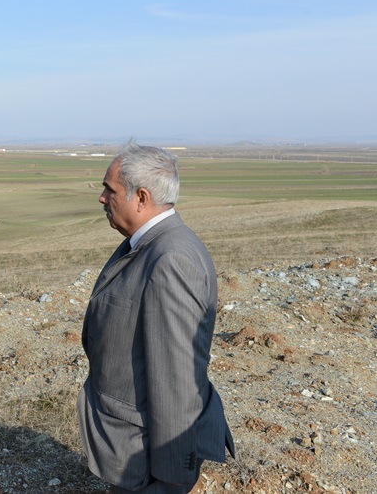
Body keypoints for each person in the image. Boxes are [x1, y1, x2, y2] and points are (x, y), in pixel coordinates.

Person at [78, 141, 234, 493]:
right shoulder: (148, 245)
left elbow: (176, 376)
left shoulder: (170, 260)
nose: (102, 198)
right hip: (135, 447)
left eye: (110, 189)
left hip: (147, 457)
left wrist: (171, 475)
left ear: (141, 198)